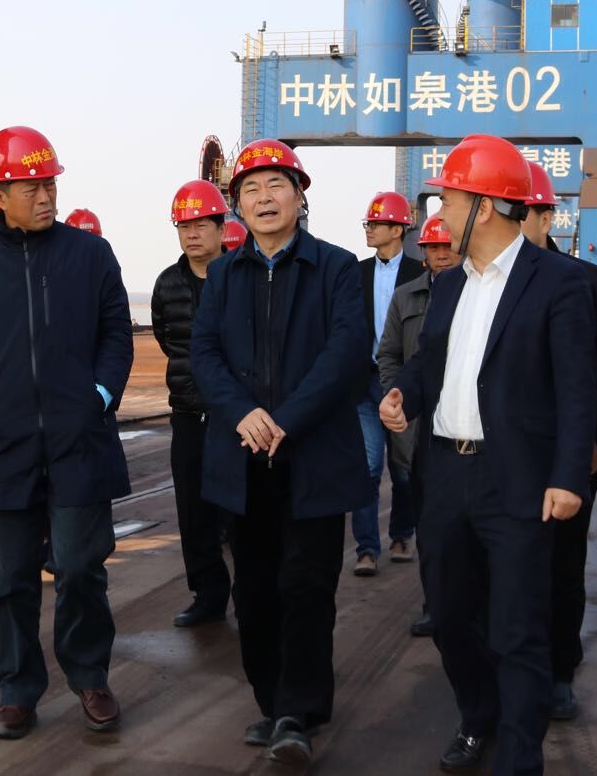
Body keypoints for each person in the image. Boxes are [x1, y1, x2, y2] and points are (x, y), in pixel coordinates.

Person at [380, 133, 597, 775]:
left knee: (517, 628)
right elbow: (429, 363)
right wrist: (404, 394)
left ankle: (519, 759)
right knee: (449, 617)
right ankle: (479, 718)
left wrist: (568, 477)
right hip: (446, 475)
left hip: (518, 481)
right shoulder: (448, 286)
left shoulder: (558, 282)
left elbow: (577, 389)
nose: (439, 213)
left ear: (486, 205)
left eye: (449, 198)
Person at [0, 126, 134, 740]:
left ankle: (90, 676)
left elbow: (116, 333)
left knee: (80, 567)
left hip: (79, 441)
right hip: (3, 443)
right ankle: (16, 692)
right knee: (9, 580)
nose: (46, 196)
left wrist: (99, 396)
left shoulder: (91, 256)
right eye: (31, 187)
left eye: (50, 183)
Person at [191, 138, 371, 765]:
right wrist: (243, 414)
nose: (264, 198)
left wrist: (286, 419)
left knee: (307, 587)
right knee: (255, 590)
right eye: (250, 189)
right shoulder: (223, 275)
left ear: (300, 196)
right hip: (244, 458)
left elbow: (346, 352)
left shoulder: (337, 268)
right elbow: (204, 354)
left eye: (276, 186)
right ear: (237, 204)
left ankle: (299, 710)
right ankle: (271, 702)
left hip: (313, 457)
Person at [519, 163, 597, 720]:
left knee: (561, 567)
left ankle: (558, 671)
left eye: (523, 212)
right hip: (498, 457)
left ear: (547, 217)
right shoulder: (474, 284)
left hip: (566, 458)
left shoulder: (590, 286)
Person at [152, 179, 233, 628]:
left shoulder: (241, 275)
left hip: (236, 416)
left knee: (241, 510)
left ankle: (253, 594)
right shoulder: (167, 284)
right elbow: (167, 339)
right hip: (187, 413)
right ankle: (208, 595)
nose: (192, 234)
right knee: (193, 511)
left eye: (201, 224)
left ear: (222, 228)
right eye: (184, 226)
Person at [376, 212, 460, 637]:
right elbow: (389, 354)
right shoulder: (405, 297)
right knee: (430, 524)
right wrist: (398, 397)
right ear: (423, 251)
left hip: (462, 426)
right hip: (417, 428)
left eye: (448, 245)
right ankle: (434, 604)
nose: (442, 254)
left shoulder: (477, 294)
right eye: (433, 247)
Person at [353, 191, 425, 576]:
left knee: (403, 468)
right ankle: (367, 548)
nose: (369, 229)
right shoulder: (356, 273)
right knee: (366, 467)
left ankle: (401, 535)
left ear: (398, 229)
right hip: (364, 384)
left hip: (401, 383)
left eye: (377, 224)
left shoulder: (418, 274)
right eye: (368, 223)